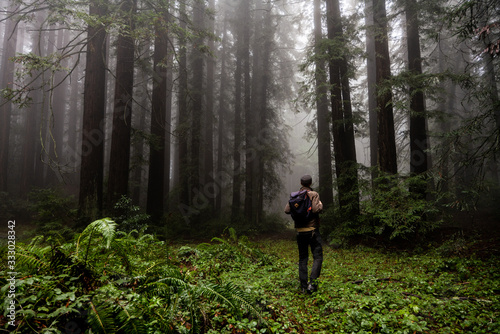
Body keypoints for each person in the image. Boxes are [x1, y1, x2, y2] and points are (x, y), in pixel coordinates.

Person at [284, 174, 323, 294]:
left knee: (303, 258)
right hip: (312, 231)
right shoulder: (313, 194)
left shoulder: (295, 195)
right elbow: (316, 210)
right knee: (317, 257)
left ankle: (303, 286)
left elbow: (286, 210)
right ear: (310, 184)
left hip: (300, 232)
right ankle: (312, 284)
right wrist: (320, 205)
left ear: (301, 183)